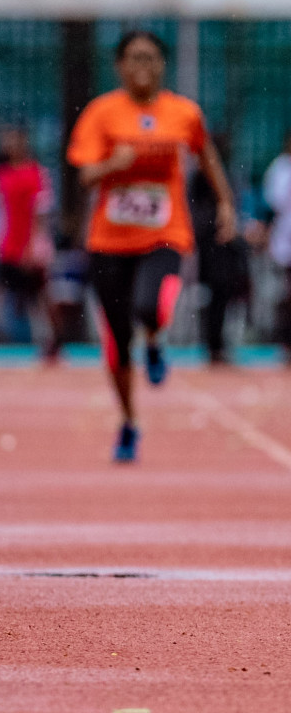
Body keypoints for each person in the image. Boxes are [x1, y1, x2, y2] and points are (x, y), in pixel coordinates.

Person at [67, 30, 235, 463]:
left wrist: (226, 204)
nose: (143, 67)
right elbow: (84, 177)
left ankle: (156, 339)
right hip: (109, 239)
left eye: (152, 58)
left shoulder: (183, 113)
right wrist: (112, 165)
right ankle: (128, 421)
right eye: (134, 58)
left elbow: (207, 155)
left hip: (164, 233)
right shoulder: (102, 114)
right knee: (118, 341)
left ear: (163, 65)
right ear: (119, 66)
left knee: (148, 305)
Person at [0, 124, 58, 360]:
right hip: (7, 244)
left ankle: (54, 341)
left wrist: (34, 247)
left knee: (39, 295)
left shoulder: (36, 173)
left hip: (29, 245)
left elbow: (40, 212)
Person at [189, 133, 249, 367]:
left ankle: (217, 343)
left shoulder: (226, 173)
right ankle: (213, 344)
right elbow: (197, 210)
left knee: (223, 293)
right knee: (217, 292)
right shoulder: (200, 176)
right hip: (210, 241)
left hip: (223, 242)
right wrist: (214, 226)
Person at [263, 130, 291, 363]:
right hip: (286, 239)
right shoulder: (281, 168)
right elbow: (273, 202)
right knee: (287, 293)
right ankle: (286, 341)